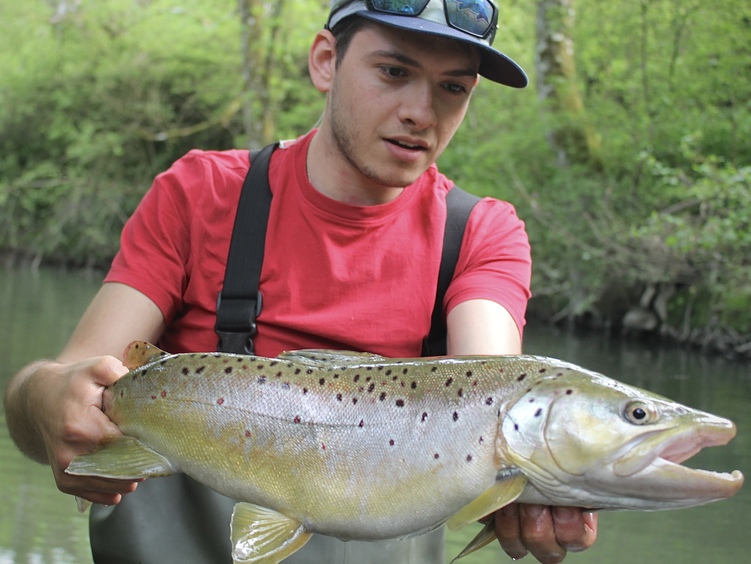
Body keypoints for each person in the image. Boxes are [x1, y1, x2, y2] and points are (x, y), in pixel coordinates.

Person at [4, 1, 598, 562]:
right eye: (394, 72)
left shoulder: (481, 234)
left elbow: (497, 392)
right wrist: (50, 401)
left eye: (453, 88)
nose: (423, 111)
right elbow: (48, 392)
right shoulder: (198, 195)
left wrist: (540, 477)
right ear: (325, 62)